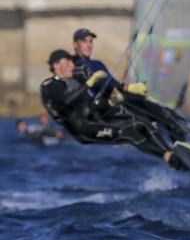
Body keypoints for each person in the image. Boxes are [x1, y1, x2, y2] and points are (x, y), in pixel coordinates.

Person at [40, 49, 182, 167]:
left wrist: (110, 102)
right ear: (56, 65)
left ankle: (172, 155)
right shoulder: (51, 86)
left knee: (140, 124)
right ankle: (168, 156)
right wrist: (88, 84)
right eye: (68, 62)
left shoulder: (74, 84)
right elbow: (66, 101)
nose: (72, 65)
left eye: (72, 61)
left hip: (93, 122)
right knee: (126, 132)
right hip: (83, 130)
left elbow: (90, 108)